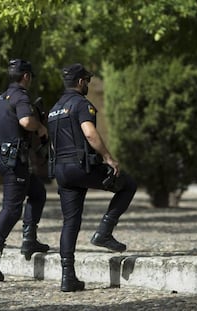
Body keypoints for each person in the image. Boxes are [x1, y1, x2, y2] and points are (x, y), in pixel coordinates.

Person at [47, 63, 137, 292]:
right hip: (81, 166)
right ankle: (104, 232)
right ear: (80, 82)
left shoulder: (54, 109)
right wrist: (108, 157)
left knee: (70, 221)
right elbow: (89, 132)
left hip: (61, 171)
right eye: (86, 80)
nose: (87, 83)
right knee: (127, 184)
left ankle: (68, 277)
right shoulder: (80, 104)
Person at [0, 59, 50, 282]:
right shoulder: (21, 96)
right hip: (14, 161)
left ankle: (29, 239)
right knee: (12, 207)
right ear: (25, 76)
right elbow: (27, 121)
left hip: (1, 156)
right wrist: (41, 127)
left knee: (37, 193)